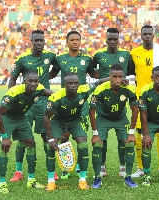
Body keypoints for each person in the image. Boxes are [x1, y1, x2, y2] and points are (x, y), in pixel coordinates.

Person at [8, 29, 60, 182]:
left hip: (44, 102)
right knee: (23, 137)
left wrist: (47, 78)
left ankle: (52, 170)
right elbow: (13, 78)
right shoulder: (23, 59)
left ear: (44, 41)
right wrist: (12, 97)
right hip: (27, 104)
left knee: (47, 136)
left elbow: (56, 69)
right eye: (36, 40)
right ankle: (19, 171)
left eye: (41, 40)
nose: (39, 43)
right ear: (31, 41)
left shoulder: (50, 57)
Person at [43, 73, 109, 190]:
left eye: (76, 83)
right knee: (50, 147)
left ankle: (82, 180)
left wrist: (116, 78)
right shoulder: (56, 97)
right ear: (64, 85)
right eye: (70, 83)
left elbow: (99, 81)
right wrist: (51, 138)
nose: (73, 86)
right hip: (58, 121)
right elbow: (46, 117)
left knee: (83, 146)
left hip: (75, 120)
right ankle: (51, 181)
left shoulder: (83, 90)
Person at [49, 30, 98, 179]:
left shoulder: (86, 58)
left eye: (78, 39)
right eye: (72, 40)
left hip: (81, 102)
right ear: (67, 42)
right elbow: (51, 74)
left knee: (80, 134)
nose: (75, 42)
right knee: (64, 135)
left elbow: (94, 74)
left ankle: (77, 167)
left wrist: (110, 76)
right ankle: (66, 164)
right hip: (64, 101)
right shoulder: (60, 59)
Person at [0, 71, 53, 194]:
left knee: (31, 143)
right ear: (24, 81)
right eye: (30, 81)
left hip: (21, 118)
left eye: (36, 81)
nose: (33, 83)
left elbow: (53, 95)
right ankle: (2, 183)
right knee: (4, 146)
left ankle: (31, 180)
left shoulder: (39, 89)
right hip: (7, 118)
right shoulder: (13, 92)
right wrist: (5, 136)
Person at [128, 25, 159, 178]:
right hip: (141, 98)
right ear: (141, 35)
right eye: (144, 34)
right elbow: (130, 71)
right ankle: (140, 168)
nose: (147, 36)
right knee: (140, 132)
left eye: (149, 34)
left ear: (153, 35)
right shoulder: (134, 53)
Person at [92, 27, 133, 178]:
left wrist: (123, 80)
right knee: (102, 140)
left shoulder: (125, 55)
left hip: (119, 101)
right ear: (106, 39)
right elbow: (92, 72)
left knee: (123, 140)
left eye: (115, 39)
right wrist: (104, 81)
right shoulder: (98, 55)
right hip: (103, 100)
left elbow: (130, 71)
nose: (112, 41)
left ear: (118, 39)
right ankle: (102, 166)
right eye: (110, 39)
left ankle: (123, 166)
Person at [89, 64, 138, 188]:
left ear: (123, 77)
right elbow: (92, 111)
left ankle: (128, 176)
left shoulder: (129, 89)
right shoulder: (100, 89)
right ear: (109, 77)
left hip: (121, 118)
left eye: (120, 77)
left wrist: (131, 132)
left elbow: (135, 110)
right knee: (98, 143)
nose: (117, 80)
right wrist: (95, 134)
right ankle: (97, 177)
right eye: (114, 76)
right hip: (103, 118)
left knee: (129, 143)